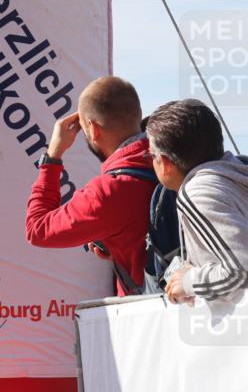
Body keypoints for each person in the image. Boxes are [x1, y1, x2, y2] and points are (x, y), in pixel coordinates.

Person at [24, 76, 156, 296]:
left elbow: (37, 229)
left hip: (151, 311)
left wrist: (52, 157)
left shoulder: (106, 193)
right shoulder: (170, 160)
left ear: (93, 129)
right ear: (138, 113)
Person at [142, 99, 248, 304]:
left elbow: (241, 271)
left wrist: (190, 282)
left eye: (151, 156)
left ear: (165, 163)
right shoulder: (237, 172)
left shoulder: (198, 193)